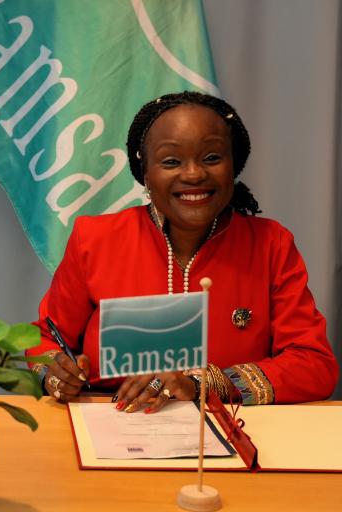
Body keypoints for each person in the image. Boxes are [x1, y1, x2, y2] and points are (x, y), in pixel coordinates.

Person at [27, 91, 338, 412]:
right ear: (145, 172)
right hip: (110, 423)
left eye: (212, 158)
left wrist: (204, 383)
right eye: (171, 161)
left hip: (232, 429)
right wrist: (56, 372)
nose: (193, 174)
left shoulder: (271, 244)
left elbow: (314, 365)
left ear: (235, 165)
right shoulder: (94, 238)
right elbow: (44, 341)